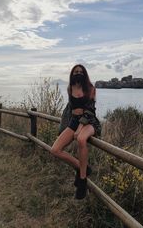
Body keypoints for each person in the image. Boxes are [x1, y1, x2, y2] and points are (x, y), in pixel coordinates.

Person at [51, 64, 101, 200]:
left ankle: (82, 181)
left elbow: (90, 110)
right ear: (72, 74)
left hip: (89, 121)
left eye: (80, 71)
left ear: (84, 74)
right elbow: (70, 109)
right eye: (75, 71)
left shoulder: (90, 89)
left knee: (80, 139)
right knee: (55, 150)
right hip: (73, 121)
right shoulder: (70, 88)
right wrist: (65, 128)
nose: (78, 73)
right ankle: (82, 167)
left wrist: (79, 128)